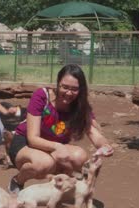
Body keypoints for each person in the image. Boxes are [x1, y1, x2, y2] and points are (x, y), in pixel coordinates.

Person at [7, 64, 113, 194]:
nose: (69, 93)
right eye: (65, 87)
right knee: (44, 163)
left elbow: (93, 133)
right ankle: (18, 181)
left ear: (81, 90)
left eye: (74, 89)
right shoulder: (42, 96)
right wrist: (57, 147)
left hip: (53, 148)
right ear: (57, 84)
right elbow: (33, 138)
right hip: (26, 143)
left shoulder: (80, 107)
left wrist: (104, 146)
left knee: (80, 157)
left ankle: (61, 189)